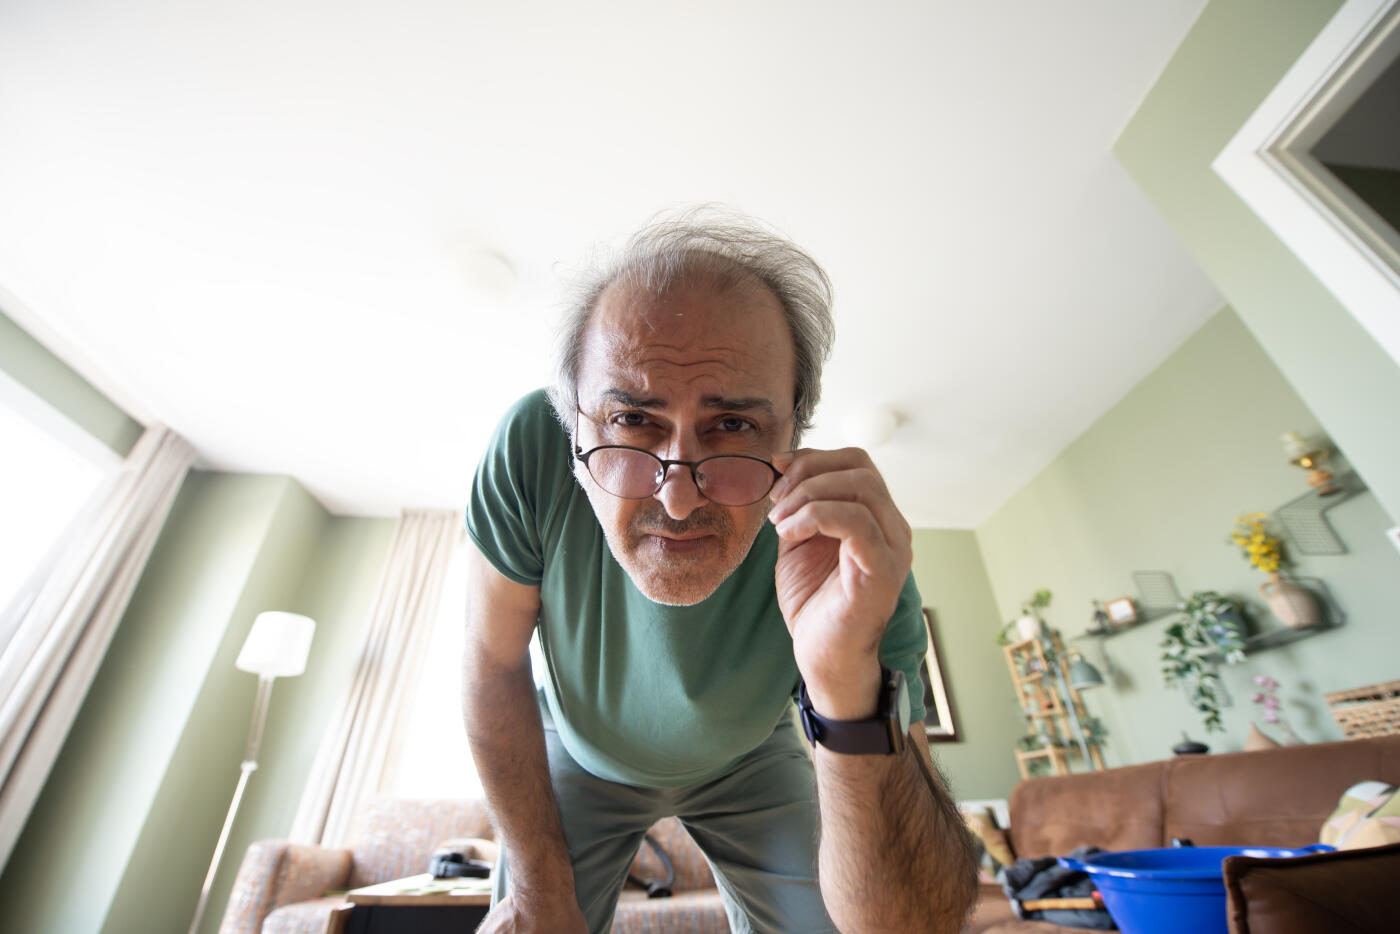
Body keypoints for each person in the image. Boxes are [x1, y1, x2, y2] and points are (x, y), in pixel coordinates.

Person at [463, 207, 977, 934]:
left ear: (792, 438)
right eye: (631, 422)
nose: (676, 499)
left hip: (751, 757)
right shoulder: (529, 451)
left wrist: (842, 681)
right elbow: (490, 661)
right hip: (580, 748)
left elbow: (910, 925)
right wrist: (538, 884)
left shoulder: (845, 552)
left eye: (733, 427)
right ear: (570, 422)